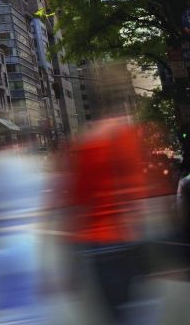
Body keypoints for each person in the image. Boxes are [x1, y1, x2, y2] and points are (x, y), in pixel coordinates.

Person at [57, 115, 160, 324]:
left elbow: (75, 208)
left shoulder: (82, 151)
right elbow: (137, 197)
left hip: (97, 244)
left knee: (114, 312)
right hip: (126, 238)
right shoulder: (127, 142)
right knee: (137, 307)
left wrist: (71, 263)